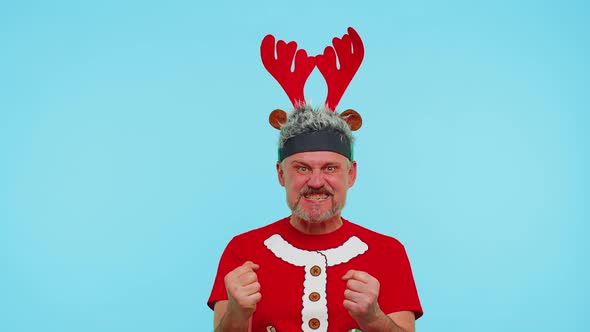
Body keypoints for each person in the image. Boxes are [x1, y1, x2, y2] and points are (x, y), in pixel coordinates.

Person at [208, 27, 422, 332]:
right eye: (303, 168)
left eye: (331, 168)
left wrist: (373, 318)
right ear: (281, 174)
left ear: (352, 174)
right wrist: (238, 314)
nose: (317, 181)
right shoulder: (242, 251)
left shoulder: (388, 253)